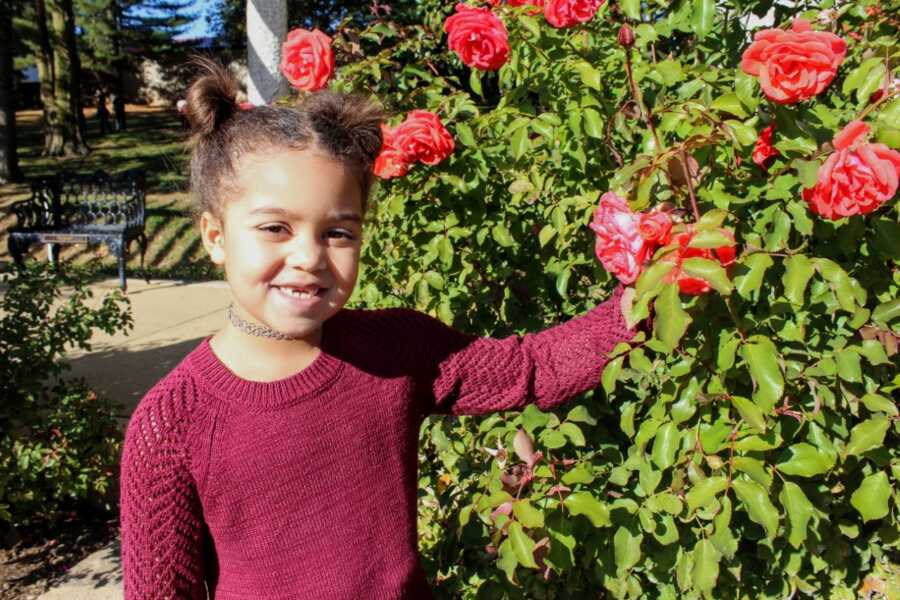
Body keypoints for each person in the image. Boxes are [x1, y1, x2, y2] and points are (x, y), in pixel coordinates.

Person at [118, 59, 640, 600]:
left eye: (338, 232)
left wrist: (648, 290)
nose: (308, 257)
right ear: (215, 236)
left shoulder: (395, 349)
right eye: (275, 228)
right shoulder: (171, 425)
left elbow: (533, 368)